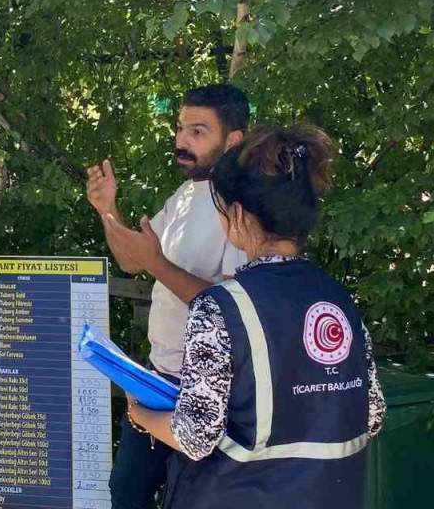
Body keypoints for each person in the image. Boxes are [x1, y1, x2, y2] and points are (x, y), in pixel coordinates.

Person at [127, 125, 385, 509]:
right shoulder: (338, 300)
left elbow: (195, 437)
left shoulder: (220, 307)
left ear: (238, 215)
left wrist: (140, 413)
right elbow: (373, 413)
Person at [85, 84, 251, 509]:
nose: (181, 141)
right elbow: (131, 260)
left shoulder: (243, 206)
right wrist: (107, 208)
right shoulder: (183, 197)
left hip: (211, 391)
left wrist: (156, 263)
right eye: (180, 129)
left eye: (198, 131)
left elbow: (237, 311)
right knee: (127, 494)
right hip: (157, 378)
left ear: (235, 139)